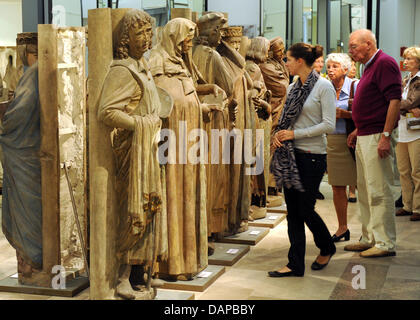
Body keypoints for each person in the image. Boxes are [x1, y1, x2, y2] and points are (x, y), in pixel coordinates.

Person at [98, 9, 168, 299]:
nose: (146, 38)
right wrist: (141, 124)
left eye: (149, 32)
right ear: (126, 38)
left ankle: (140, 269)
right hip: (131, 150)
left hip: (149, 149)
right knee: (132, 211)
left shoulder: (143, 66)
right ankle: (121, 276)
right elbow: (107, 112)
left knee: (149, 208)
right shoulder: (121, 70)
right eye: (140, 33)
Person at [149, 17, 221, 280]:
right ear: (174, 37)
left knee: (189, 195)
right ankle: (170, 263)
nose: (188, 44)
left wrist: (204, 108)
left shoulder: (181, 62)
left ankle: (190, 258)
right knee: (172, 196)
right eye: (186, 38)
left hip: (189, 142)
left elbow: (186, 97)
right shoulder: (155, 61)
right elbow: (156, 102)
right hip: (169, 144)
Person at [268, 43, 336, 277]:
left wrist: (295, 134)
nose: (285, 63)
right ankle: (295, 263)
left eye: (287, 59)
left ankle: (327, 246)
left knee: (306, 209)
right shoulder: (292, 87)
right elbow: (288, 119)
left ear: (299, 61)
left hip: (312, 156)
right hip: (290, 154)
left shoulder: (323, 87)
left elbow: (329, 124)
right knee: (293, 212)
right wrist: (280, 134)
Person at [346, 29, 401, 258]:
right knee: (366, 189)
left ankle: (385, 242)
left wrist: (386, 136)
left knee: (379, 190)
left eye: (354, 46)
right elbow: (373, 102)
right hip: (366, 134)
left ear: (368, 44)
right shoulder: (368, 66)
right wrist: (358, 129)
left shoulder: (385, 63)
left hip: (378, 135)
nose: (350, 51)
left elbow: (394, 101)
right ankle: (369, 237)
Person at [0, 33, 42, 285]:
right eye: (32, 54)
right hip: (22, 153)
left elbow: (18, 114)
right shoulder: (26, 75)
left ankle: (34, 267)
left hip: (29, 153)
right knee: (25, 211)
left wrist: (5, 119)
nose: (35, 60)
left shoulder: (33, 74)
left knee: (31, 212)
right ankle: (28, 269)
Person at [325, 53, 358, 242]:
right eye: (328, 66)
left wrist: (345, 114)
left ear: (345, 69)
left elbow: (366, 113)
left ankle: (370, 231)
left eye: (335, 66)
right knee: (337, 187)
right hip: (333, 141)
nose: (330, 70)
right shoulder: (325, 88)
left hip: (352, 139)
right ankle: (342, 227)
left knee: (364, 185)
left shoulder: (356, 86)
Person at [259, 36, 289, 197]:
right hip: (274, 109)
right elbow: (282, 88)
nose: (281, 53)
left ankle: (275, 183)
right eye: (278, 51)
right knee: (272, 144)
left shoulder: (280, 63)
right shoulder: (265, 66)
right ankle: (268, 184)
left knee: (279, 145)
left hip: (281, 109)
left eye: (282, 50)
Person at [245, 36, 272, 217]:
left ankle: (259, 196)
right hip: (257, 120)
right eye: (267, 49)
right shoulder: (253, 68)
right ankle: (255, 196)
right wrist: (265, 103)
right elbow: (253, 97)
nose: (268, 53)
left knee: (258, 159)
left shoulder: (254, 67)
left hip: (260, 119)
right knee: (256, 158)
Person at [395, 47, 420, 221]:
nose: (406, 61)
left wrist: (396, 104)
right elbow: (407, 104)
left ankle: (417, 208)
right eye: (405, 58)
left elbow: (410, 102)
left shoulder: (418, 81)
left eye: (410, 58)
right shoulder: (406, 79)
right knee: (403, 171)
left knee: (416, 173)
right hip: (402, 130)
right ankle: (407, 205)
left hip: (416, 132)